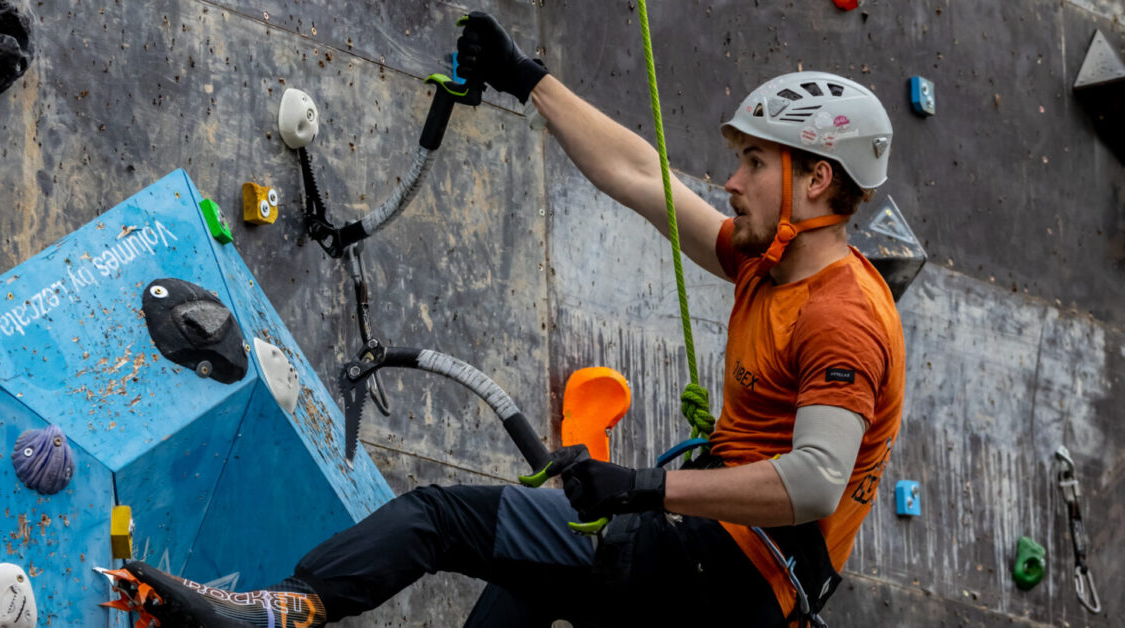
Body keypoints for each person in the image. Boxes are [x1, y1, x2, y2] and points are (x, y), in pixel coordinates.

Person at [102, 11, 904, 628]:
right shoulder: (769, 259)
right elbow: (639, 176)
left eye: (755, 163)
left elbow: (814, 482)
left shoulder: (842, 317)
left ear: (815, 179)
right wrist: (529, 80)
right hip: (719, 578)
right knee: (517, 583)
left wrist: (643, 487)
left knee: (440, 517)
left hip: (718, 569)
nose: (732, 181)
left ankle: (282, 610)